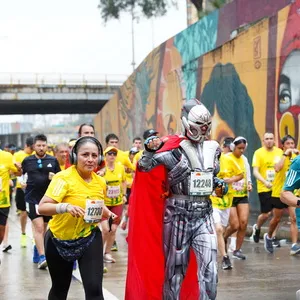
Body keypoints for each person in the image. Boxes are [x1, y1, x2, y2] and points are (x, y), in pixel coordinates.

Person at [126, 99, 227, 300]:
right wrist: (148, 150)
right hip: (177, 215)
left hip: (204, 213)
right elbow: (145, 167)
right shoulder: (172, 148)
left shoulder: (213, 149)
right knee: (175, 272)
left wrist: (219, 184)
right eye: (199, 126)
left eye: (206, 127)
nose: (203, 130)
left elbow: (208, 176)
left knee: (210, 270)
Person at [38, 136, 119, 300]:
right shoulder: (63, 178)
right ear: (75, 156)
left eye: (94, 156)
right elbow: (42, 207)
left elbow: (96, 204)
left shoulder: (100, 182)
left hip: (89, 237)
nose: (90, 160)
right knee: (60, 289)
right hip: (58, 239)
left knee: (95, 290)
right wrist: (65, 207)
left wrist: (108, 213)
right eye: (85, 155)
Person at [22, 134, 61, 269]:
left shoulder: (53, 160)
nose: (41, 148)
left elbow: (60, 178)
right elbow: (21, 175)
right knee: (38, 227)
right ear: (34, 146)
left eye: (43, 145)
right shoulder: (27, 161)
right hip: (32, 199)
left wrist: (54, 177)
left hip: (48, 199)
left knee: (44, 227)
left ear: (46, 146)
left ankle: (36, 248)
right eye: (38, 145)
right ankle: (43, 257)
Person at [264, 135, 300, 254]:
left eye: (292, 144)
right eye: (288, 144)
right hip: (279, 191)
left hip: (292, 193)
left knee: (293, 218)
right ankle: (269, 236)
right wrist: (286, 155)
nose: (291, 146)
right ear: (283, 146)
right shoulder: (278, 155)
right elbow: (277, 168)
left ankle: (294, 245)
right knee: (277, 218)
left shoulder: (296, 157)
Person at [211, 137, 244, 269]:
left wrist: (230, 180)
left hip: (226, 201)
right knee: (218, 229)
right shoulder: (207, 161)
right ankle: (224, 257)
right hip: (212, 201)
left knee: (221, 230)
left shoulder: (228, 160)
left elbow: (241, 174)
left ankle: (220, 253)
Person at [223, 137, 252, 260]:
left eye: (243, 149)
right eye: (239, 148)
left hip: (242, 194)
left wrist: (249, 183)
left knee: (244, 222)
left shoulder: (244, 159)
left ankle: (237, 250)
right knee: (234, 225)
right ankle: (223, 237)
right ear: (233, 147)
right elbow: (223, 175)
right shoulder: (226, 158)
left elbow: (247, 174)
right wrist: (232, 179)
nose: (241, 151)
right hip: (230, 195)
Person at [251, 133, 283, 243]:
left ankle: (272, 237)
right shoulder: (258, 153)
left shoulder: (279, 152)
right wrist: (265, 182)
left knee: (277, 215)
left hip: (277, 187)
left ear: (274, 140)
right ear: (263, 141)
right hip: (264, 187)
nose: (269, 141)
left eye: (271, 139)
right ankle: (257, 227)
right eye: (267, 139)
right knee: (266, 214)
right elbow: (255, 171)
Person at [101, 146, 127, 263]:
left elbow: (124, 181)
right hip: (104, 204)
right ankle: (98, 253)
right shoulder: (102, 169)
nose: (112, 156)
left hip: (117, 203)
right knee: (105, 229)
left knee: (113, 229)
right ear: (105, 156)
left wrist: (124, 194)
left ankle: (107, 253)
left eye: (114, 154)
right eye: (109, 154)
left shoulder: (120, 168)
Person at [0, 148, 21, 264]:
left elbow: (18, 173)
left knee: (1, 231)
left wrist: (18, 167)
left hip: (3, 201)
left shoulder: (6, 156)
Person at [13, 136, 34, 248]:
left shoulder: (35, 155)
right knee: (23, 212)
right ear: (27, 145)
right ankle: (23, 233)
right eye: (31, 148)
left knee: (34, 213)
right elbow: (14, 172)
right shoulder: (18, 155)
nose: (33, 151)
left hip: (33, 187)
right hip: (21, 188)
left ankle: (34, 235)